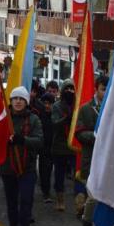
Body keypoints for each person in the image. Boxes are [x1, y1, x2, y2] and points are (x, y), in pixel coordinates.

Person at [0, 86, 43, 226]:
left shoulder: (33, 119)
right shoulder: (4, 119)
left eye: (21, 99)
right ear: (10, 101)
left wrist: (21, 140)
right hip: (7, 168)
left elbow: (39, 141)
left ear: (26, 101)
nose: (18, 102)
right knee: (11, 204)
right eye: (15, 98)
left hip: (27, 168)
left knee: (25, 203)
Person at [76, 76, 114, 226]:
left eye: (108, 89)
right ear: (96, 89)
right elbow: (79, 133)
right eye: (103, 89)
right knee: (94, 197)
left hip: (110, 161)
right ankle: (87, 220)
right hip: (91, 159)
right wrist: (95, 136)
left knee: (106, 199)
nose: (105, 93)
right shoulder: (85, 109)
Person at [50, 79, 76, 211]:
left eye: (72, 89)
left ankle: (80, 201)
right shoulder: (56, 106)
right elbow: (54, 123)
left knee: (78, 175)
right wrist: (67, 118)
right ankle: (60, 200)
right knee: (59, 176)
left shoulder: (77, 105)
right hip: (60, 146)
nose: (70, 91)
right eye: (67, 89)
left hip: (74, 146)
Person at [37, 93, 55, 203]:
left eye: (50, 103)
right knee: (45, 171)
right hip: (43, 148)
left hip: (55, 147)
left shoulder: (55, 116)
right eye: (45, 103)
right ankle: (46, 192)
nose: (47, 106)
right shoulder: (39, 117)